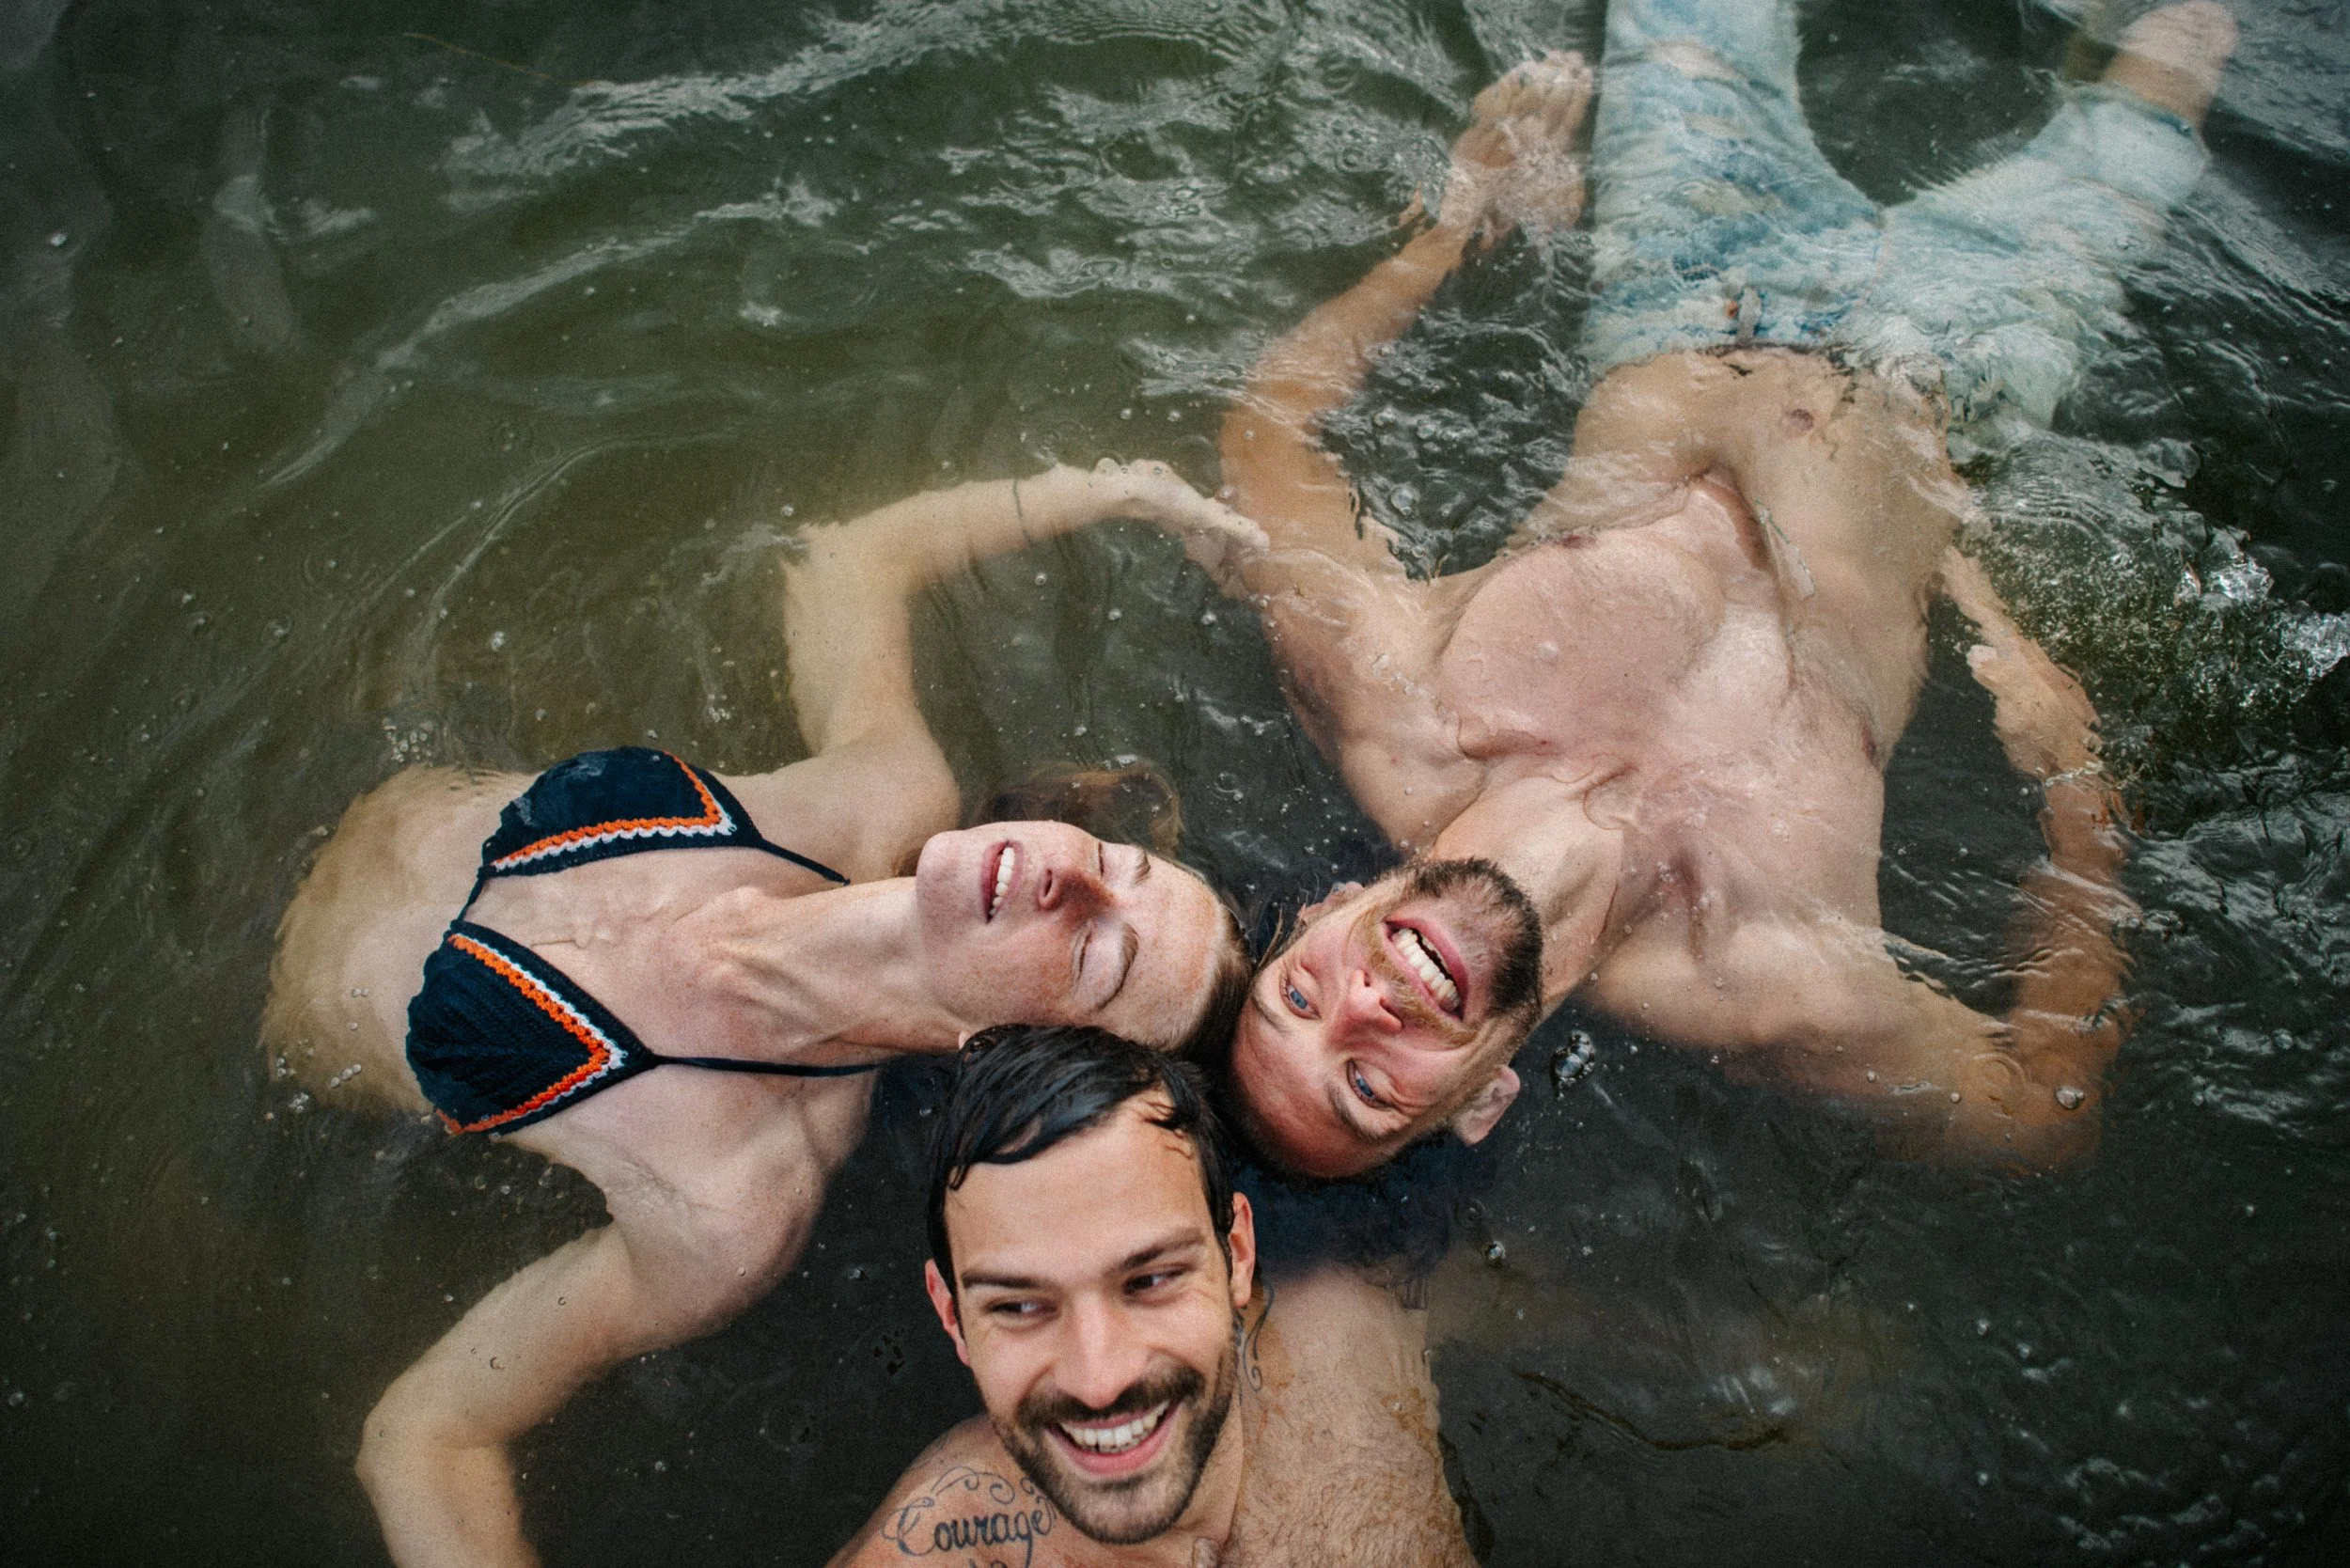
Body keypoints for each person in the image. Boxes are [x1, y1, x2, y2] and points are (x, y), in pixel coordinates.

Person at [1190, 1, 2240, 1176]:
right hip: (1959, 366)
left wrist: (1453, 226)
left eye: (1298, 997)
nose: (1362, 1008)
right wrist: (2078, 790)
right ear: (1482, 1103)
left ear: (1322, 916)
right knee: (2175, 64)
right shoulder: (1774, 981)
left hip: (1692, 276)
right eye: (1372, 1087)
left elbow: (1267, 440)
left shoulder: (1394, 699)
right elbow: (2040, 1112)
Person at [260, 460, 1262, 1568]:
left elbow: (428, 1432)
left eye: (1094, 955)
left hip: (259, 1029)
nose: (1071, 876)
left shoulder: (729, 1205)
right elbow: (846, 554)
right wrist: (1125, 491)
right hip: (315, 742)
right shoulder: (880, 792)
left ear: (1011, 1049)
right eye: (1119, 864)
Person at [828, 1026, 1474, 1568]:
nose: (1100, 1380)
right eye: (1019, 1306)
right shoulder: (936, 1548)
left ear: (1237, 1255)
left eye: (1151, 1280)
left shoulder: (1355, 1314)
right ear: (953, 1318)